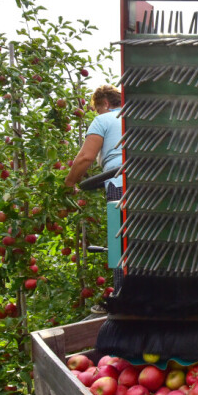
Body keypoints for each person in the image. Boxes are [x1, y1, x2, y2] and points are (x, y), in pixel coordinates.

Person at [64, 85, 124, 305]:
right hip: (150, 184)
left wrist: (69, 183)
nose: (97, 113)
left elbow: (85, 158)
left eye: (97, 109)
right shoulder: (136, 117)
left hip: (120, 184)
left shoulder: (104, 120)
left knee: (120, 243)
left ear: (105, 104)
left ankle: (123, 295)